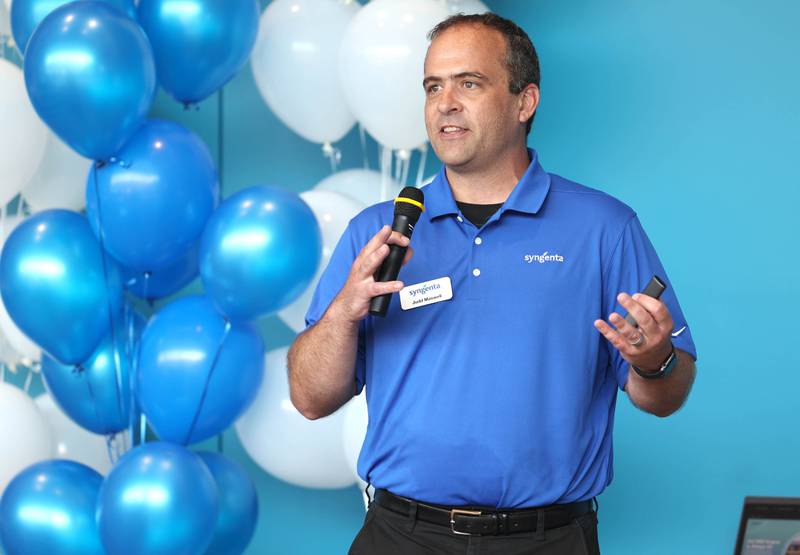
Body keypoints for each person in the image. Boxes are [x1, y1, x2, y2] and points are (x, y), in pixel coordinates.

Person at [287, 12, 697, 555]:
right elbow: (310, 399)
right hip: (400, 536)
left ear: (525, 101)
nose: (445, 103)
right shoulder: (379, 231)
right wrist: (341, 313)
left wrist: (654, 357)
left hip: (549, 540)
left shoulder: (604, 228)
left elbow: (666, 395)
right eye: (433, 86)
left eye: (469, 83)